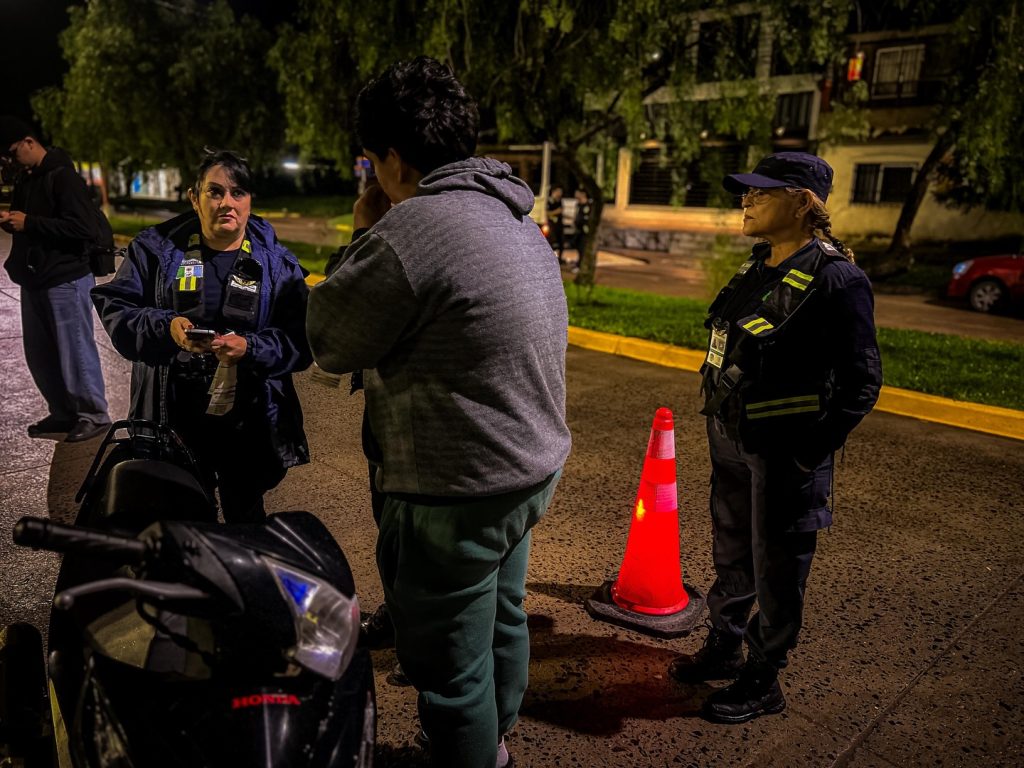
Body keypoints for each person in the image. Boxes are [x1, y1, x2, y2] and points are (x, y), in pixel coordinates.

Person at [306, 57, 571, 768]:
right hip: (528, 469)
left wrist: (364, 233)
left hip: (453, 493)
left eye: (372, 161)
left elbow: (331, 339)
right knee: (501, 617)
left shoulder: (409, 232)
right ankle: (498, 735)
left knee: (449, 667)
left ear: (391, 159)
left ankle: (468, 751)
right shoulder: (515, 215)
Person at [669, 152, 881, 724]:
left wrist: (812, 450)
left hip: (787, 451)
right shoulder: (757, 266)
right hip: (733, 437)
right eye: (747, 192)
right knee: (732, 547)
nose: (747, 200)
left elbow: (863, 382)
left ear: (801, 202)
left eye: (760, 192)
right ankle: (725, 641)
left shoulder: (838, 278)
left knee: (778, 565)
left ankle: (764, 676)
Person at [91, 149, 311, 523]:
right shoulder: (156, 250)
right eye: (215, 192)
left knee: (248, 521)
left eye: (238, 192)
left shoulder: (277, 262)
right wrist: (166, 327)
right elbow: (115, 307)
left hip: (249, 423)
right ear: (194, 197)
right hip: (174, 418)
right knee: (185, 523)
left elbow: (301, 340)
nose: (228, 202)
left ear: (250, 200)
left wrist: (251, 347)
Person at [0, 116, 111, 442]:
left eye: (11, 153)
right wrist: (15, 222)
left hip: (66, 277)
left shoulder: (64, 177)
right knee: (41, 352)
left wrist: (30, 223)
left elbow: (83, 229)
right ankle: (63, 411)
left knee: (75, 349)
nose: (8, 161)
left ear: (29, 143)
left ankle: (94, 414)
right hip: (35, 278)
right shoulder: (27, 179)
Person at [570, 187, 591, 270]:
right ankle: (579, 263)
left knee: (582, 248)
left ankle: (580, 266)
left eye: (578, 192)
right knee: (577, 246)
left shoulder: (588, 205)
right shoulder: (578, 204)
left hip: (584, 231)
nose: (575, 194)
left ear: (583, 194)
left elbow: (586, 219)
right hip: (578, 230)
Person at [546, 185, 565, 262]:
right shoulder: (549, 201)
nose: (560, 193)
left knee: (561, 242)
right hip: (551, 225)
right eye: (559, 192)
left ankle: (559, 259)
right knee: (551, 242)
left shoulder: (560, 201)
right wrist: (556, 212)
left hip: (559, 225)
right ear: (554, 192)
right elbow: (546, 213)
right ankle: (550, 258)